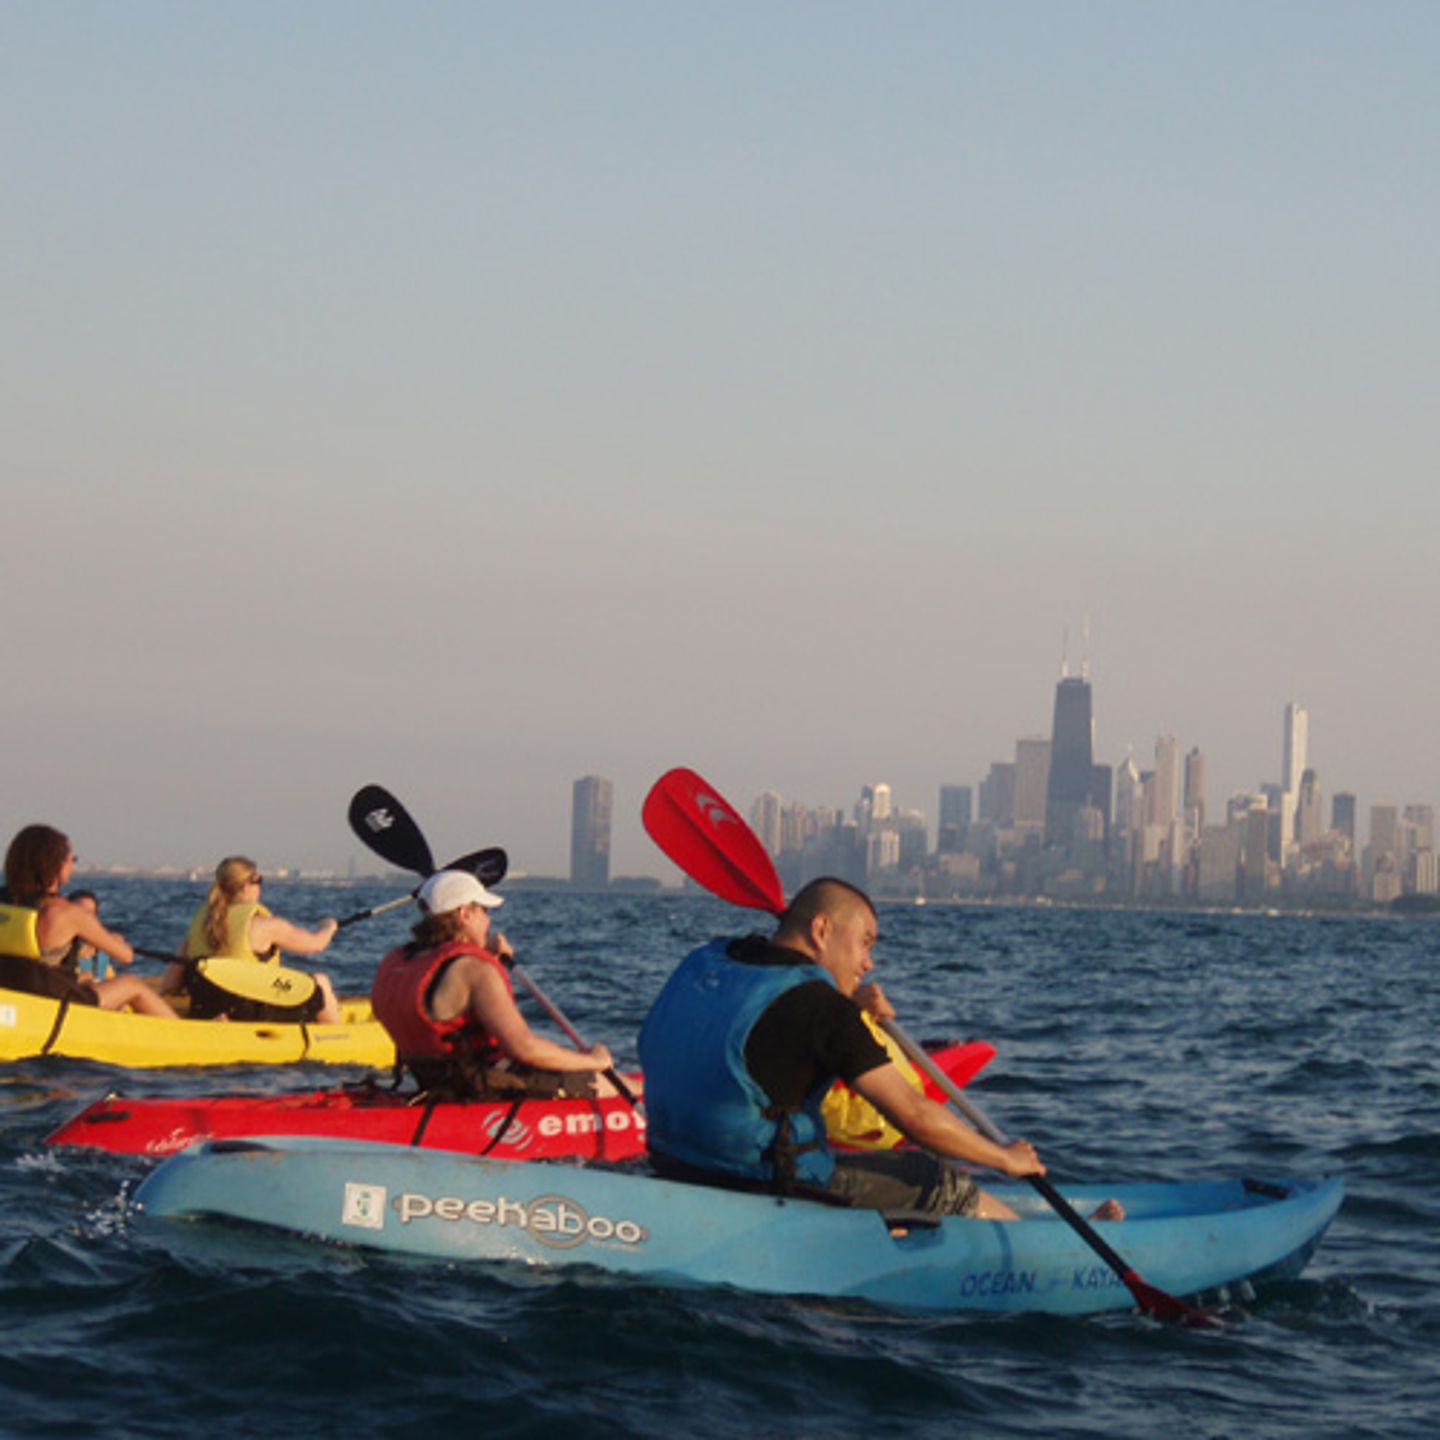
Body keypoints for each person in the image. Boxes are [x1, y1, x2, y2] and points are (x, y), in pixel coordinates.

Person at [639, 876, 1124, 1223]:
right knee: (935, 1178)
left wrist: (847, 1007)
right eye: (865, 943)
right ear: (822, 931)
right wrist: (1006, 1159)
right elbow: (915, 1117)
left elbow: (772, 1016)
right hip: (767, 1184)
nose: (868, 963)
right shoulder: (825, 1010)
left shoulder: (706, 962)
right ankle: (1046, 1248)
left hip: (675, 1163)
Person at [371, 869, 616, 1100]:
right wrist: (594, 1061)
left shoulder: (396, 960)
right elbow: (525, 1048)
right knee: (612, 1085)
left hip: (432, 1082)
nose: (488, 921)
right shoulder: (476, 970)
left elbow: (444, 972)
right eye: (484, 911)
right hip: (480, 1087)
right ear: (465, 913)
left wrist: (483, 952)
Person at [0, 824, 177, 1017]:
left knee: (85, 979)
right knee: (132, 984)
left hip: (12, 989)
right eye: (72, 859)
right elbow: (126, 956)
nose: (73, 864)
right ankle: (185, 1037)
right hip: (54, 1003)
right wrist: (112, 940)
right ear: (56, 864)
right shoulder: (65, 912)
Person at [161, 856, 342, 1023]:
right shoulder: (264, 925)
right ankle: (338, 1039)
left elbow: (170, 984)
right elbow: (316, 944)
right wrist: (329, 927)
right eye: (259, 881)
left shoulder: (201, 924)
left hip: (206, 1010)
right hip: (249, 1012)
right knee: (321, 982)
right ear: (246, 886)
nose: (260, 887)